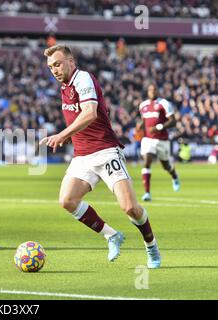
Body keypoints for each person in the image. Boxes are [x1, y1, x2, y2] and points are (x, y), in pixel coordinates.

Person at [41, 45, 161, 268]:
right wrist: (70, 137)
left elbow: (90, 113)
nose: (54, 70)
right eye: (50, 67)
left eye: (57, 64)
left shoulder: (83, 78)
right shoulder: (64, 87)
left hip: (106, 151)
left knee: (130, 208)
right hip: (82, 156)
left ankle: (151, 246)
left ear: (71, 62)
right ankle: (111, 235)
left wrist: (62, 134)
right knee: (67, 200)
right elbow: (79, 119)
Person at [137, 84, 180, 202]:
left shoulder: (164, 103)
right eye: (150, 89)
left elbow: (173, 121)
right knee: (146, 162)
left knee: (166, 165)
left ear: (158, 91)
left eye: (154, 89)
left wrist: (159, 127)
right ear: (147, 92)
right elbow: (143, 120)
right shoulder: (143, 105)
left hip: (162, 140)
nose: (152, 91)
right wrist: (140, 126)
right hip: (147, 139)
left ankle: (175, 176)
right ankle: (147, 193)